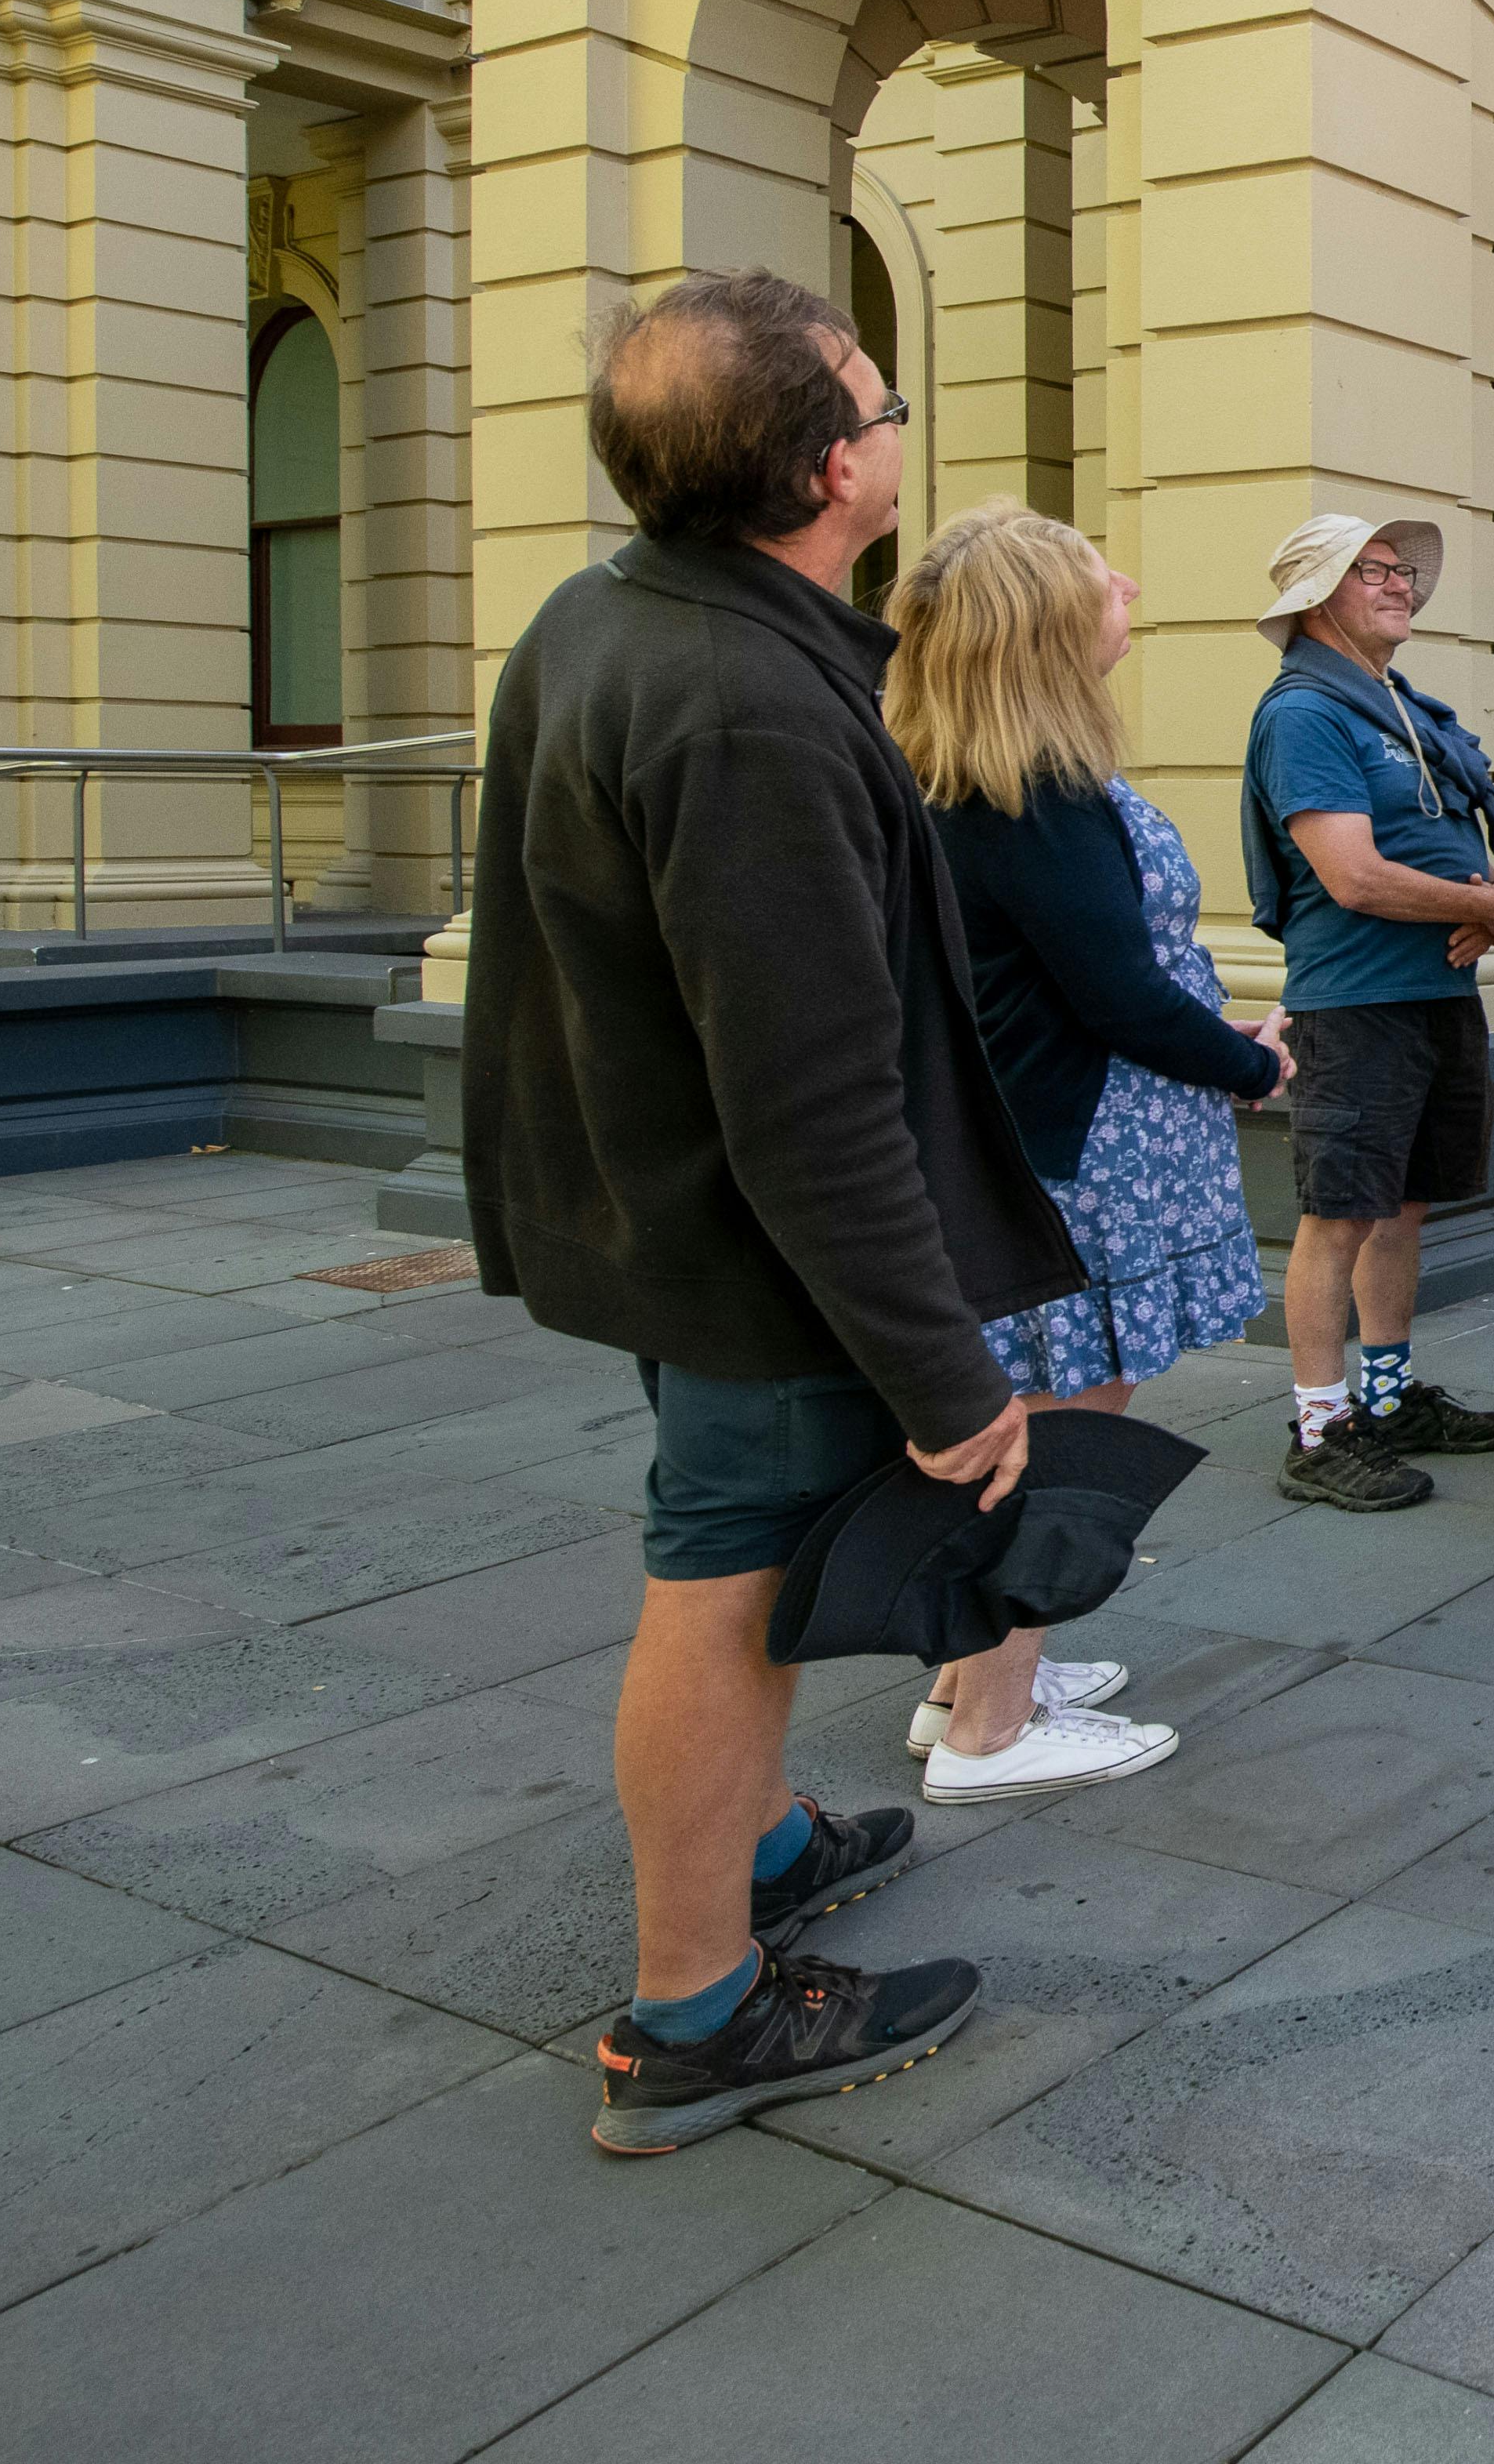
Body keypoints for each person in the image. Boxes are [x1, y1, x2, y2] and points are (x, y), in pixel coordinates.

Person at [469, 267, 1043, 2154]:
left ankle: (769, 1842)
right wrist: (944, 1369)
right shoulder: (740, 705)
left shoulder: (608, 611)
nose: (894, 427)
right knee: (725, 1580)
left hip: (663, 1219)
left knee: (738, 1563)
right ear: (821, 467)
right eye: (875, 408)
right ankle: (695, 2008)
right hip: (755, 1255)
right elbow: (809, 1096)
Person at [885, 499, 1260, 1805]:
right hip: (1086, 1159)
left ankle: (967, 1682)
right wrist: (1252, 1060)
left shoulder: (979, 780)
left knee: (1028, 1423)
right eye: (1106, 577)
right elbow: (1117, 995)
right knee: (1056, 1440)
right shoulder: (1035, 795)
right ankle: (994, 1723)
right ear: (1047, 626)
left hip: (1051, 1144)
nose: (1132, 585)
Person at [1241, 513, 1494, 1508]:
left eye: (1403, 570)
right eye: (1374, 571)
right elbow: (1352, 875)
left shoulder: (1390, 702)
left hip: (1431, 997)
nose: (1401, 583)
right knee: (1338, 1218)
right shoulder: (1306, 714)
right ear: (1319, 594)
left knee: (1401, 1208)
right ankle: (1321, 1431)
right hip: (1358, 1003)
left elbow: (1449, 839)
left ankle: (1390, 1397)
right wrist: (1490, 905)